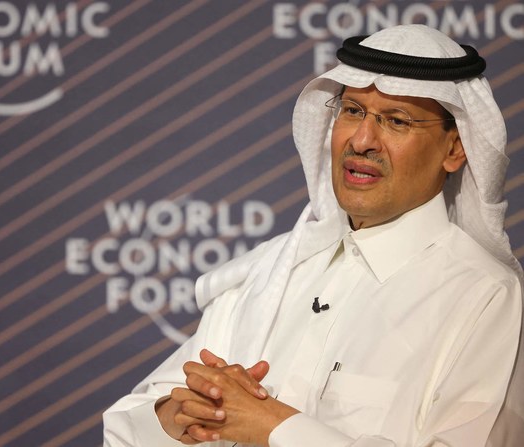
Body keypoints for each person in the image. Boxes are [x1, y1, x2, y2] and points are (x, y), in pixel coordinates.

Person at [102, 25, 523, 447]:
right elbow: (125, 427)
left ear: (454, 148)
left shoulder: (486, 295)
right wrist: (183, 415)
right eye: (353, 111)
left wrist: (274, 426)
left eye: (396, 120)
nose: (361, 140)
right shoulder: (272, 270)